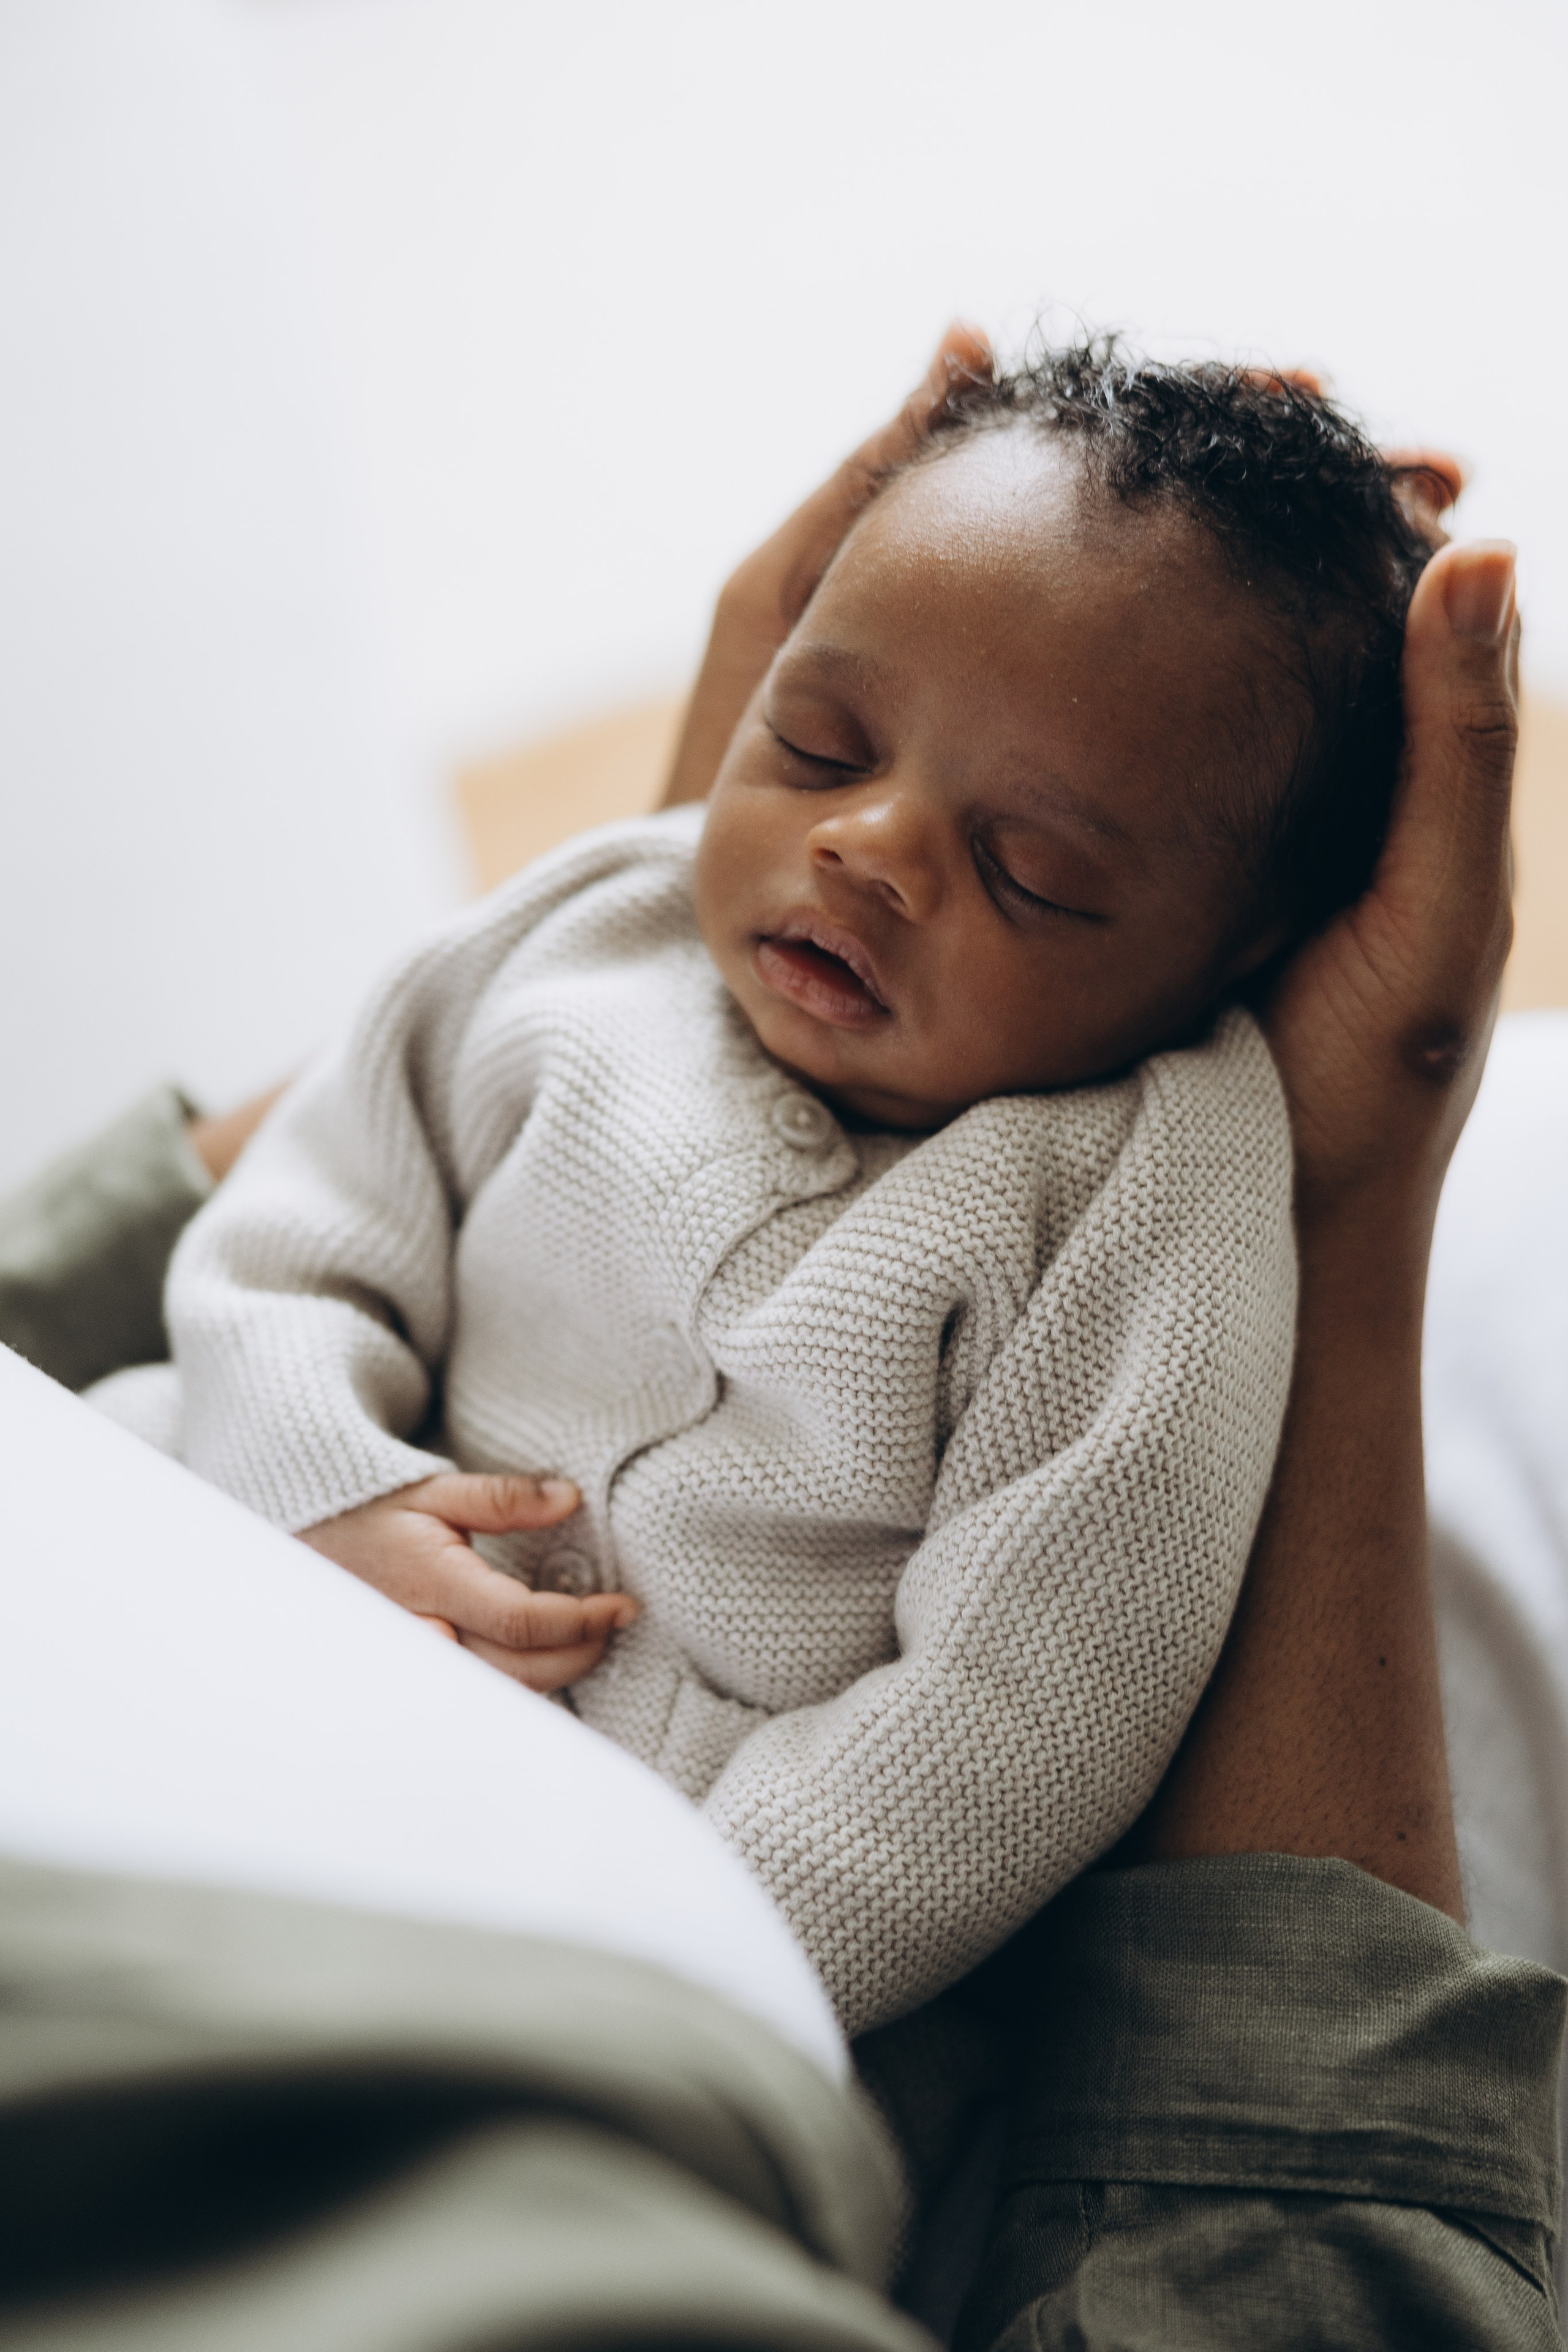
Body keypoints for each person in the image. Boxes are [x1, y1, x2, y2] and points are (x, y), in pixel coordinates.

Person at [0, 332, 1556, 2345]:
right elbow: (297, 1231)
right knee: (118, 1419)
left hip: (702, 1854)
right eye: (817, 744)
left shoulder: (1156, 1191)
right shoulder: (588, 928)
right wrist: (322, 1487)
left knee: (933, 2131)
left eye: (1037, 874)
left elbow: (1021, 1703)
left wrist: (703, 1928)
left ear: (1231, 962)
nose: (873, 848)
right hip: (249, 1591)